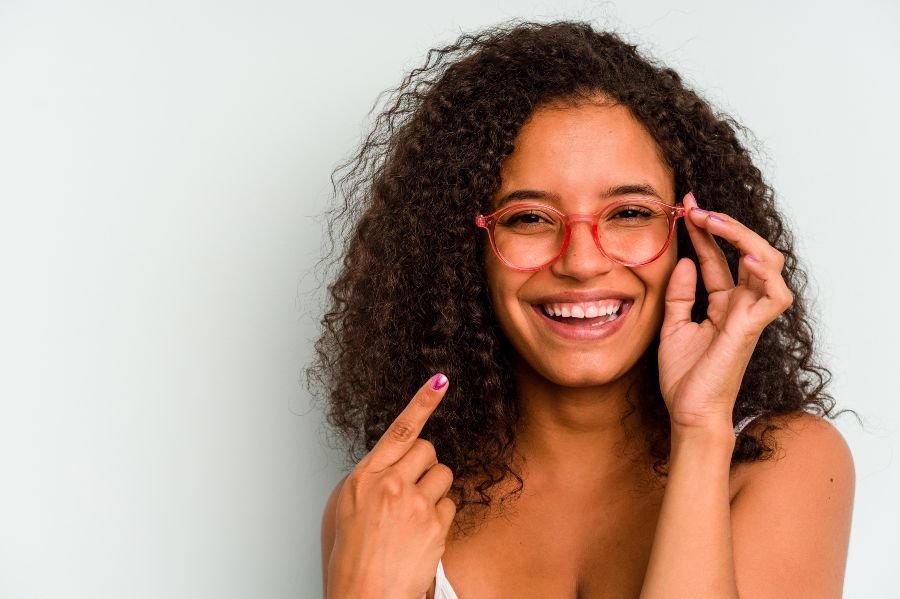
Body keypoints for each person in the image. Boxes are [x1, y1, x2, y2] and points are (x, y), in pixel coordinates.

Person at [312, 20, 855, 599]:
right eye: (528, 218)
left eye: (629, 213)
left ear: (691, 234)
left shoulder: (785, 462)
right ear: (459, 251)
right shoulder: (388, 505)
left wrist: (700, 432)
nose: (581, 261)